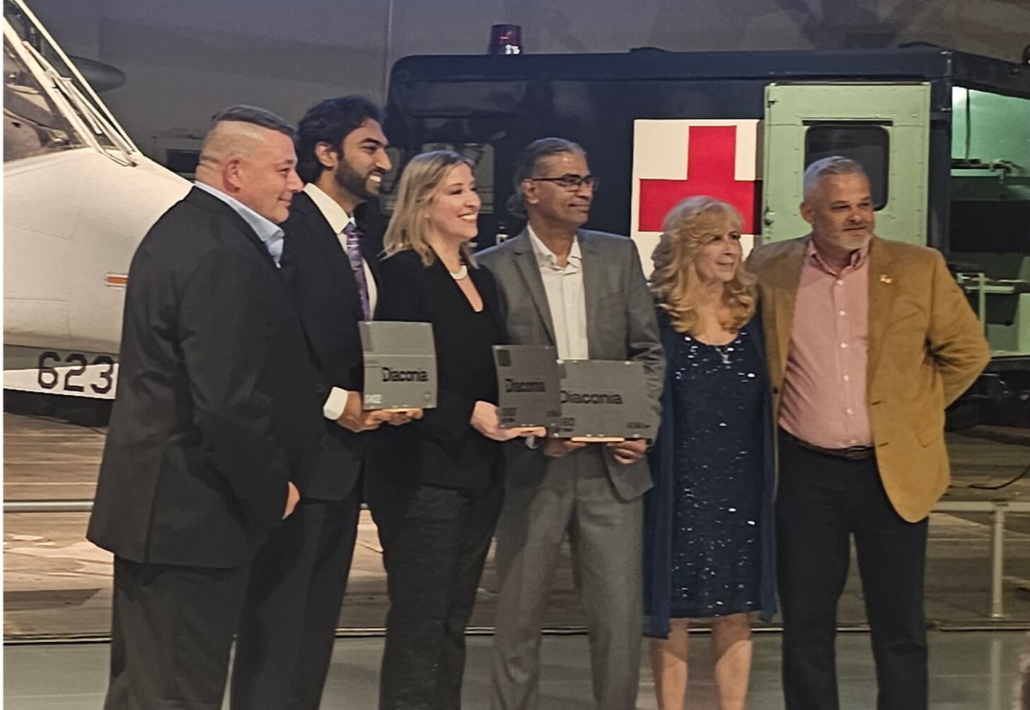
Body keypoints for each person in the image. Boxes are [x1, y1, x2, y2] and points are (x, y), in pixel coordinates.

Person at [85, 106, 323, 710]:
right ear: (237, 173)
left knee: (147, 687)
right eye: (286, 169)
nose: (296, 184)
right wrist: (272, 488)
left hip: (165, 514)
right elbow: (225, 402)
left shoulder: (187, 231)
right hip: (192, 516)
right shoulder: (221, 251)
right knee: (176, 693)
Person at [748, 156, 991, 710]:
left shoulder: (919, 267)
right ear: (808, 212)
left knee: (900, 622)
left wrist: (913, 415)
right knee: (807, 620)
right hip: (804, 473)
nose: (858, 216)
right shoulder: (767, 267)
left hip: (892, 472)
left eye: (864, 203)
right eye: (841, 207)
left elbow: (968, 352)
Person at [231, 96, 418, 710]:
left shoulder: (354, 238)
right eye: (371, 147)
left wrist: (394, 397)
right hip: (299, 460)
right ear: (326, 153)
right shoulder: (291, 231)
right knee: (278, 633)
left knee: (313, 634)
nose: (384, 161)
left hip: (346, 464)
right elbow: (268, 345)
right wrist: (339, 402)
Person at [478, 137, 665, 710]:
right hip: (533, 466)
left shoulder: (618, 255)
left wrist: (641, 424)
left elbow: (649, 353)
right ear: (529, 190)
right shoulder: (490, 267)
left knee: (617, 622)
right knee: (516, 616)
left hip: (614, 465)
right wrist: (534, 431)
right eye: (568, 180)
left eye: (587, 180)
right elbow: (490, 369)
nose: (583, 190)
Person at [371, 150, 540, 710]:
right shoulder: (400, 274)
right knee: (421, 622)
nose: (472, 202)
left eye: (472, 189)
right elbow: (396, 377)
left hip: (479, 473)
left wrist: (533, 407)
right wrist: (467, 410)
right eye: (456, 192)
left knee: (452, 619)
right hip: (422, 475)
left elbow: (494, 369)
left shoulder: (484, 279)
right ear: (422, 204)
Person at [643, 196, 776, 710]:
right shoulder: (659, 318)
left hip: (741, 485)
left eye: (736, 237)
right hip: (678, 484)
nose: (730, 249)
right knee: (672, 607)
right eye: (716, 238)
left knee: (735, 610)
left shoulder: (754, 313)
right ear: (687, 246)